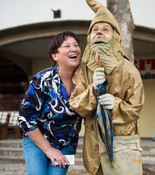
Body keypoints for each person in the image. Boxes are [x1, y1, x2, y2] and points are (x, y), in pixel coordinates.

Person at [69, 0, 145, 174]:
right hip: (94, 147)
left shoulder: (129, 70)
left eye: (105, 30)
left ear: (115, 36)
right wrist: (93, 89)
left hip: (122, 146)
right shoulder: (82, 71)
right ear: (89, 37)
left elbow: (136, 108)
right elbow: (76, 105)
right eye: (95, 30)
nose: (99, 33)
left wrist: (115, 104)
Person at [18, 31, 82, 175]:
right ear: (55, 56)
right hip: (37, 139)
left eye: (76, 45)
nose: (73, 48)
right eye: (67, 46)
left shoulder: (84, 81)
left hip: (66, 143)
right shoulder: (42, 80)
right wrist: (48, 149)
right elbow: (25, 118)